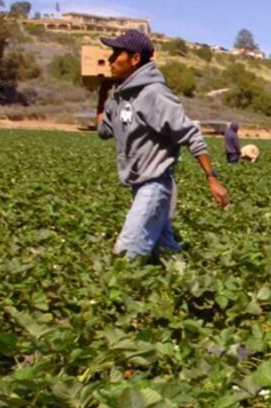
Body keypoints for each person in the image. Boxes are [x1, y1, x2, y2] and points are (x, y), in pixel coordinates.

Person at [95, 30, 229, 259]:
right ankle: (196, 284)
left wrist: (212, 178)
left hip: (155, 185)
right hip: (139, 186)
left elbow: (191, 135)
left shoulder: (154, 94)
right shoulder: (120, 98)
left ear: (135, 59)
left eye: (117, 53)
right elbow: (103, 129)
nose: (110, 59)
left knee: (126, 256)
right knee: (166, 254)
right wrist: (101, 91)